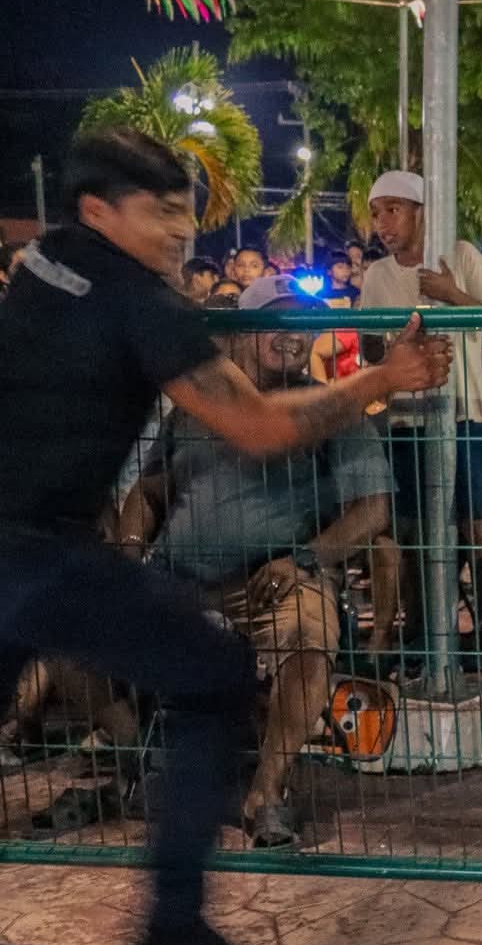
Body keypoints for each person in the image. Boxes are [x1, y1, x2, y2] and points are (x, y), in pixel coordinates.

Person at [0, 128, 447, 945]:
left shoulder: (44, 261)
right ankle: (173, 926)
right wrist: (381, 379)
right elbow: (261, 427)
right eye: (161, 212)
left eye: (186, 213)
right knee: (214, 675)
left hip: (36, 550)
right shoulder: (143, 303)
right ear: (98, 211)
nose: (182, 232)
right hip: (38, 553)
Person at [117, 274, 396, 849]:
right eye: (277, 321)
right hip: (178, 577)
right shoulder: (194, 410)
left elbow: (372, 510)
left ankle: (266, 793)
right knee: (71, 620)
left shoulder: (333, 409)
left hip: (274, 578)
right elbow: (149, 491)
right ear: (244, 331)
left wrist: (305, 558)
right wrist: (128, 552)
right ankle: (140, 764)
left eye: (304, 325)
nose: (294, 335)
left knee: (310, 636)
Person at [357, 169, 482, 622]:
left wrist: (450, 294)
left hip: (465, 412)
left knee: (474, 525)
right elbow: (369, 348)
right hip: (406, 417)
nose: (383, 224)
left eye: (393, 210)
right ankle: (424, 631)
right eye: (376, 214)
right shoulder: (377, 275)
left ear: (422, 214)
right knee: (412, 530)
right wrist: (394, 343)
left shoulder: (460, 255)